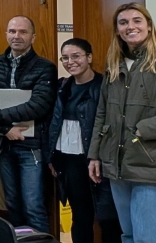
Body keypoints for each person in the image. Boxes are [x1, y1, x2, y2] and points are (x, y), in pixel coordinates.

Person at [89, 4, 156, 243]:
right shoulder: (114, 63)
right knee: (128, 235)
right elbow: (102, 113)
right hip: (117, 166)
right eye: (123, 22)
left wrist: (143, 129)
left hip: (152, 164)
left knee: (147, 238)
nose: (130, 26)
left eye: (137, 20)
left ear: (149, 26)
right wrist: (95, 155)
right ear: (117, 30)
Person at [0, 16, 56, 234]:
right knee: (12, 204)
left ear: (33, 37)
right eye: (12, 31)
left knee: (33, 205)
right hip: (4, 144)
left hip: (31, 147)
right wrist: (5, 129)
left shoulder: (45, 67)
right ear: (6, 34)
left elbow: (38, 105)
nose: (17, 36)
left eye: (23, 32)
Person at [48, 38, 119, 243]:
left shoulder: (104, 86)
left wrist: (97, 156)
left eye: (76, 56)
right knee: (80, 216)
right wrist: (51, 156)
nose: (70, 62)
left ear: (89, 57)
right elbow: (54, 124)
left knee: (108, 218)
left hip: (97, 159)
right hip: (68, 160)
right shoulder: (63, 87)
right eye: (65, 58)